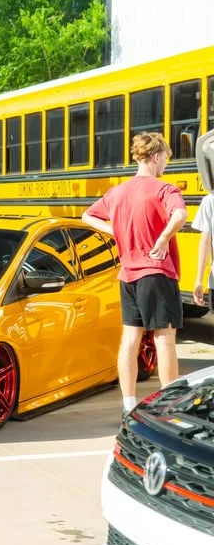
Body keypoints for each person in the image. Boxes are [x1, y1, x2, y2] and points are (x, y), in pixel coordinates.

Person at [81, 132, 187, 417]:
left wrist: (115, 230)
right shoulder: (165, 189)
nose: (165, 165)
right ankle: (168, 405)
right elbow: (180, 216)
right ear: (155, 157)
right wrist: (163, 239)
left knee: (130, 339)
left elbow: (87, 216)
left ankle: (128, 405)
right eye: (165, 159)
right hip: (157, 272)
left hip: (128, 274)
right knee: (164, 338)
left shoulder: (118, 192)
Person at [192, 189, 214, 310]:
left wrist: (199, 280)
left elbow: (205, 242)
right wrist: (199, 280)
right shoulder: (210, 200)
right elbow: (205, 243)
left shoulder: (210, 200)